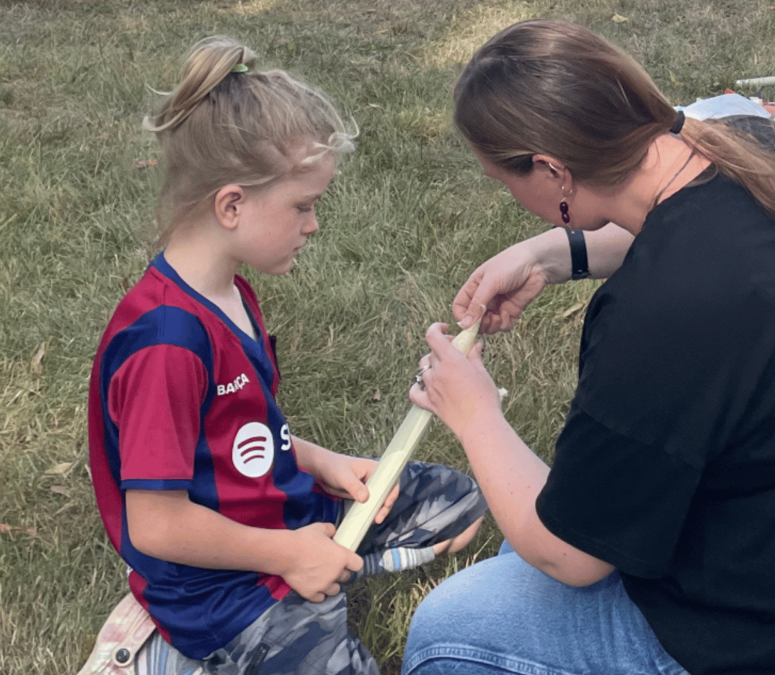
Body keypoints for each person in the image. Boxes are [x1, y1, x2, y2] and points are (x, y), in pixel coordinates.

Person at [402, 19, 775, 675]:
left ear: (550, 168)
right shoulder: (757, 146)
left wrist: (472, 409)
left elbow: (568, 553)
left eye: (501, 178)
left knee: (448, 629)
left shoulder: (660, 311)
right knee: (528, 533)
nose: (507, 195)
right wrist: (548, 254)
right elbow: (661, 229)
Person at [86, 37, 485, 675]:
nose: (314, 225)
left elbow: (239, 435)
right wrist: (289, 556)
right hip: (219, 590)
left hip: (289, 514)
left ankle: (335, 564)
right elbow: (155, 527)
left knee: (457, 501)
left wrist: (326, 464)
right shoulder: (165, 342)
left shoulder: (233, 292)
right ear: (232, 204)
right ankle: (186, 648)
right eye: (303, 206)